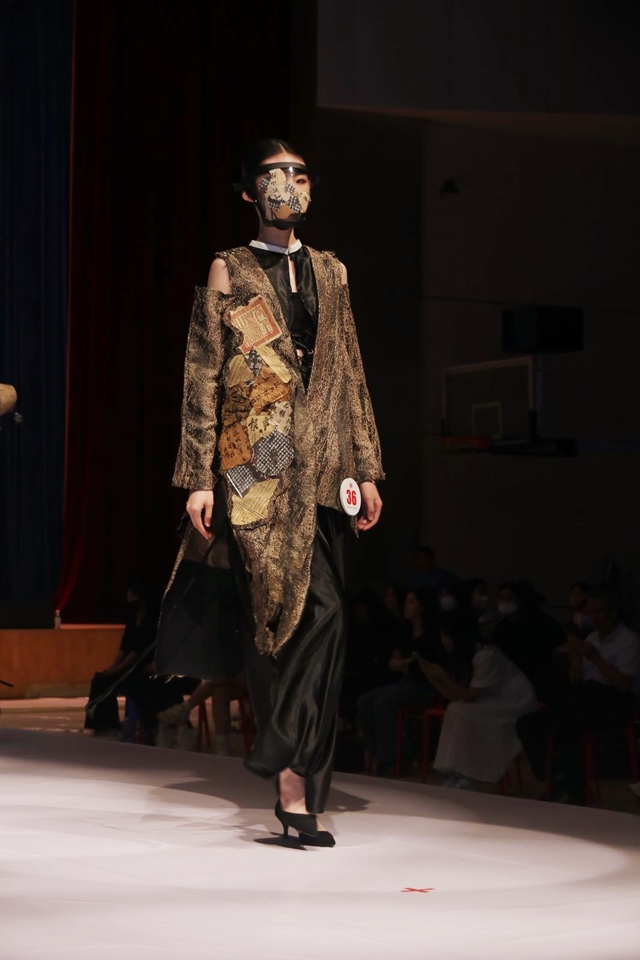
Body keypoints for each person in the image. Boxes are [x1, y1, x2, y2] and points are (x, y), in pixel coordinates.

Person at [156, 137, 384, 846]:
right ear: (249, 191)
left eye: (301, 173)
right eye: (275, 174)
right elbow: (203, 373)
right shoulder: (231, 268)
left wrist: (367, 467)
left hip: (322, 463)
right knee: (273, 622)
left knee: (328, 616)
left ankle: (286, 758)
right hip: (255, 462)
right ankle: (291, 784)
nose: (291, 184)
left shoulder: (332, 272)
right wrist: (199, 476)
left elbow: (349, 370)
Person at [517, 584, 639, 803]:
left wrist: (595, 658)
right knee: (528, 723)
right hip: (586, 697)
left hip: (617, 701)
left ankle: (574, 792)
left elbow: (624, 685)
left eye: (598, 612)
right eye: (589, 612)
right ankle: (555, 778)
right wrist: (575, 657)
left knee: (567, 722)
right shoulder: (591, 638)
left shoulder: (629, 640)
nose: (593, 618)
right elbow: (575, 681)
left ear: (613, 613)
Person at [423, 621, 538, 789]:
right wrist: (433, 677)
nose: (443, 641)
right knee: (454, 708)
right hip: (492, 699)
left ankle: (466, 773)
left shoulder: (485, 655)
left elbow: (469, 697)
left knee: (461, 711)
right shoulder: (465, 656)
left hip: (514, 702)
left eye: (446, 636)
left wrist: (442, 677)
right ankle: (454, 772)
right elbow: (454, 696)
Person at [356, 588, 444, 776]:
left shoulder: (432, 635)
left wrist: (406, 664)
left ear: (423, 607)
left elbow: (424, 666)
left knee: (383, 704)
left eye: (411, 602)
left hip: (426, 685)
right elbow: (399, 659)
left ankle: (391, 760)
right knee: (365, 701)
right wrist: (403, 663)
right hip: (406, 681)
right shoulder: (406, 631)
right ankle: (377, 755)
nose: (406, 606)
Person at [84, 581, 158, 737]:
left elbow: (136, 653)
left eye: (131, 596)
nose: (128, 600)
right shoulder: (132, 619)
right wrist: (111, 668)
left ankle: (143, 727)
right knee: (100, 679)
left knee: (118, 682)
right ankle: (103, 725)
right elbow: (124, 648)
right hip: (127, 666)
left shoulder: (151, 621)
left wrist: (116, 671)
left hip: (140, 667)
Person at [492, 580, 564, 701]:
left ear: (521, 600)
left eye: (510, 598)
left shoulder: (542, 623)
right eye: (501, 598)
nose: (504, 602)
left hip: (535, 679)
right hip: (508, 678)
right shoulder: (502, 626)